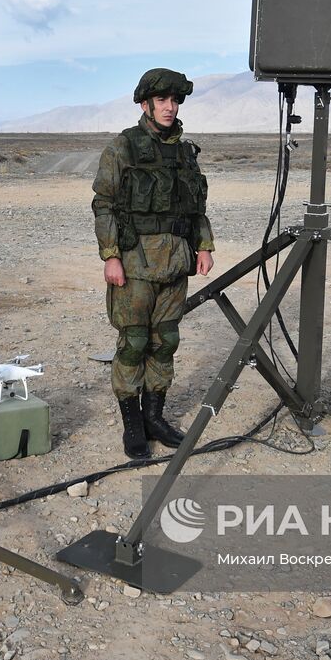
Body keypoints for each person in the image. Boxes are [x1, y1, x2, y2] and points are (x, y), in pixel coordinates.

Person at [92, 68, 215, 459]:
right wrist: (111, 256)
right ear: (146, 104)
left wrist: (204, 246)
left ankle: (155, 418)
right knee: (134, 343)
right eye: (161, 100)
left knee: (165, 342)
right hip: (135, 262)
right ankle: (133, 426)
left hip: (176, 261)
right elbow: (104, 204)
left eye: (174, 100)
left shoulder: (184, 152)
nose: (169, 107)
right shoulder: (122, 147)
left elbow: (197, 207)